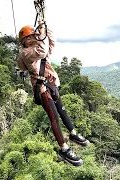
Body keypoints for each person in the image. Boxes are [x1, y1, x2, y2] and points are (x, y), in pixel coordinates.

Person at [16, 21, 90, 166]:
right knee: (54, 118)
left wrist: (45, 28)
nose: (34, 38)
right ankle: (64, 149)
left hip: (50, 83)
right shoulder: (26, 52)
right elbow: (43, 50)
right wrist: (42, 32)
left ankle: (73, 134)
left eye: (35, 36)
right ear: (25, 41)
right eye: (31, 37)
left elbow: (51, 44)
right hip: (42, 87)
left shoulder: (38, 46)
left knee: (62, 111)